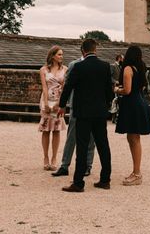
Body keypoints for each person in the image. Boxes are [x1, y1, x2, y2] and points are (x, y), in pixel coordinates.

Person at [57, 38, 112, 192]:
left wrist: (62, 105)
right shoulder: (105, 66)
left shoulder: (79, 67)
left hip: (83, 112)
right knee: (103, 145)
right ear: (96, 50)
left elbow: (68, 87)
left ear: (83, 51)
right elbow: (109, 91)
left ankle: (78, 182)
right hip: (100, 112)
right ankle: (105, 179)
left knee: (82, 146)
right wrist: (106, 106)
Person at [52, 47, 95, 178]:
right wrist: (63, 105)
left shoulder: (97, 65)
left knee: (91, 138)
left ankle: (88, 165)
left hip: (92, 107)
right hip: (76, 106)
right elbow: (68, 86)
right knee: (71, 137)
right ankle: (65, 165)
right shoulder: (73, 65)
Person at [114, 46, 150, 185]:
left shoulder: (128, 69)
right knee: (133, 138)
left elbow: (127, 90)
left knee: (134, 139)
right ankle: (136, 172)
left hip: (132, 105)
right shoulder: (141, 68)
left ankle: (137, 174)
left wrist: (116, 89)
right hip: (139, 102)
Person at [38, 46, 66, 171]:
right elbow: (44, 87)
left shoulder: (65, 69)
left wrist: (59, 104)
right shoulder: (43, 70)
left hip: (58, 101)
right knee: (45, 129)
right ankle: (45, 158)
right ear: (53, 55)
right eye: (59, 54)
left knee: (56, 130)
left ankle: (54, 158)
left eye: (62, 54)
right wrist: (45, 104)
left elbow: (64, 88)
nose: (61, 56)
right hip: (46, 99)